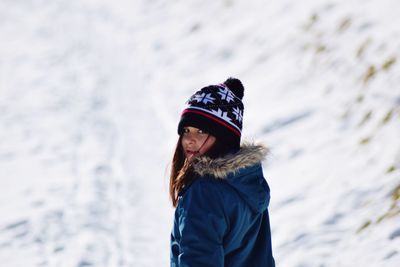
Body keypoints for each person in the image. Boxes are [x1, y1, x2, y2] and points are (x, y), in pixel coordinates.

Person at [169, 78, 275, 267]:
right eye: (186, 130)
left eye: (201, 131)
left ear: (223, 138)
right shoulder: (246, 181)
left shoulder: (203, 193)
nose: (190, 140)